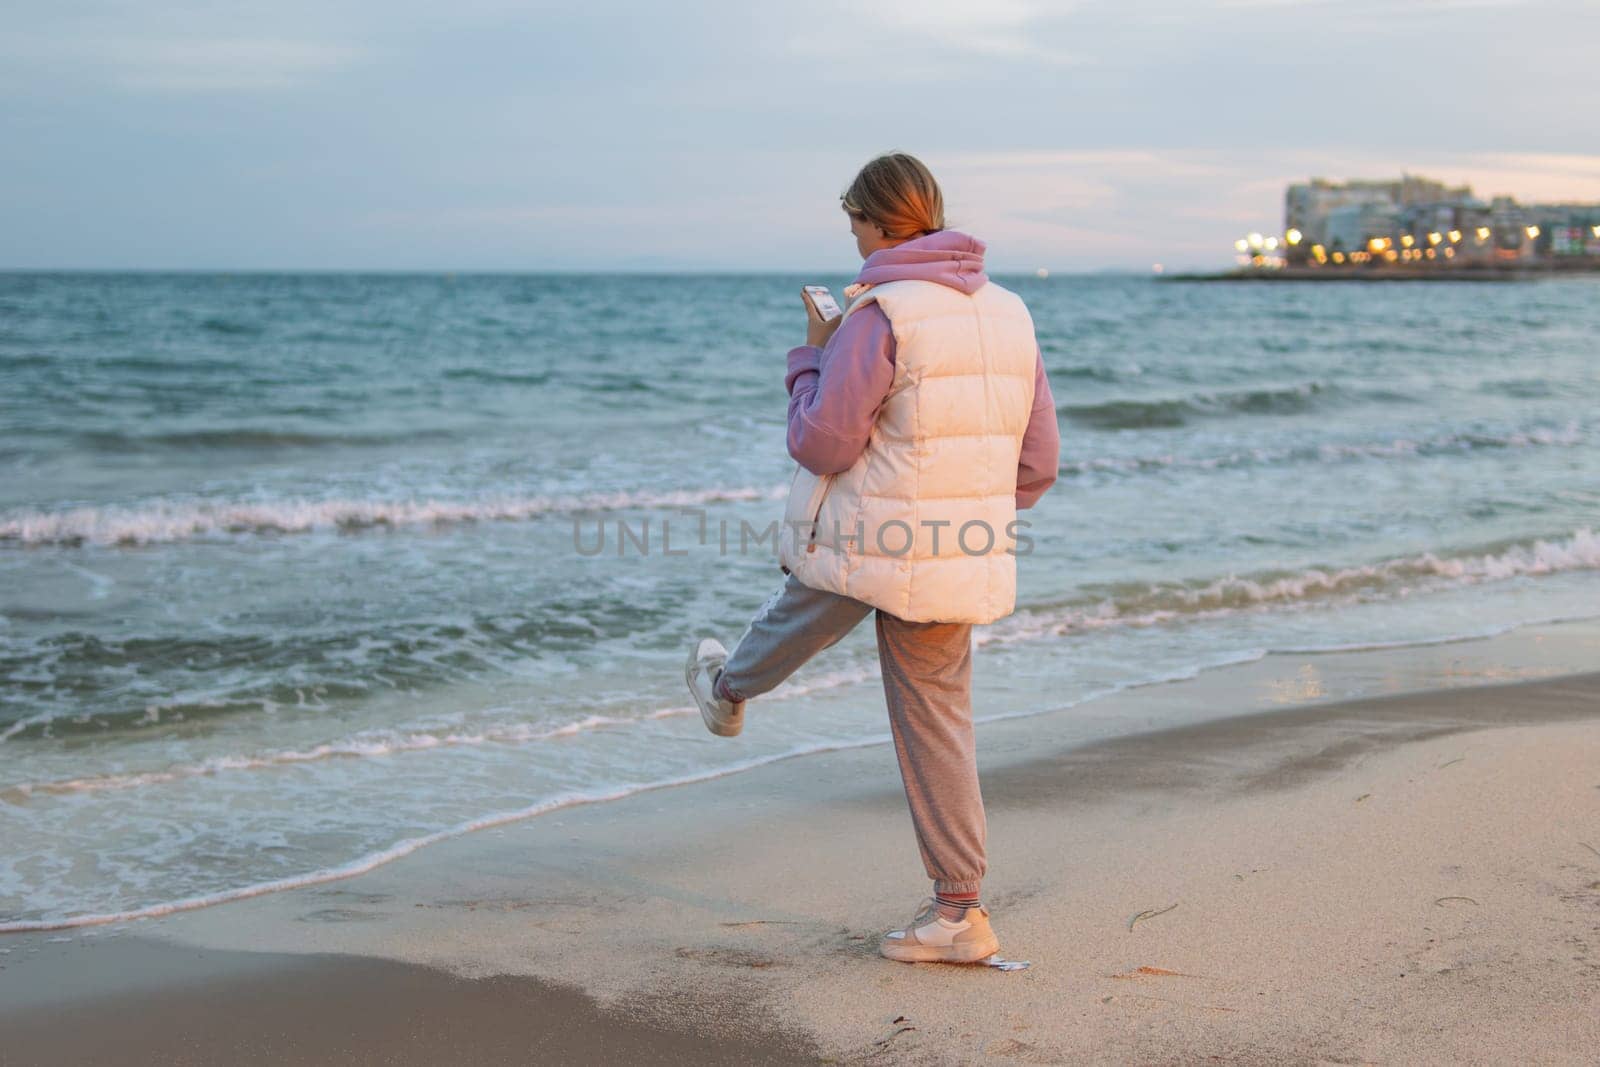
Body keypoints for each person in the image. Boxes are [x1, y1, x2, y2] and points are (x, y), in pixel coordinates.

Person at [685, 152, 1060, 964]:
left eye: (853, 220)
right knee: (939, 722)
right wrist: (963, 509)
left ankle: (724, 690)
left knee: (803, 606)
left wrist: (809, 354)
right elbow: (1036, 467)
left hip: (871, 540)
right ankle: (960, 913)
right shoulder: (1011, 312)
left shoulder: (877, 314)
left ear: (879, 220)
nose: (852, 236)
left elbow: (821, 442)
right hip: (958, 550)